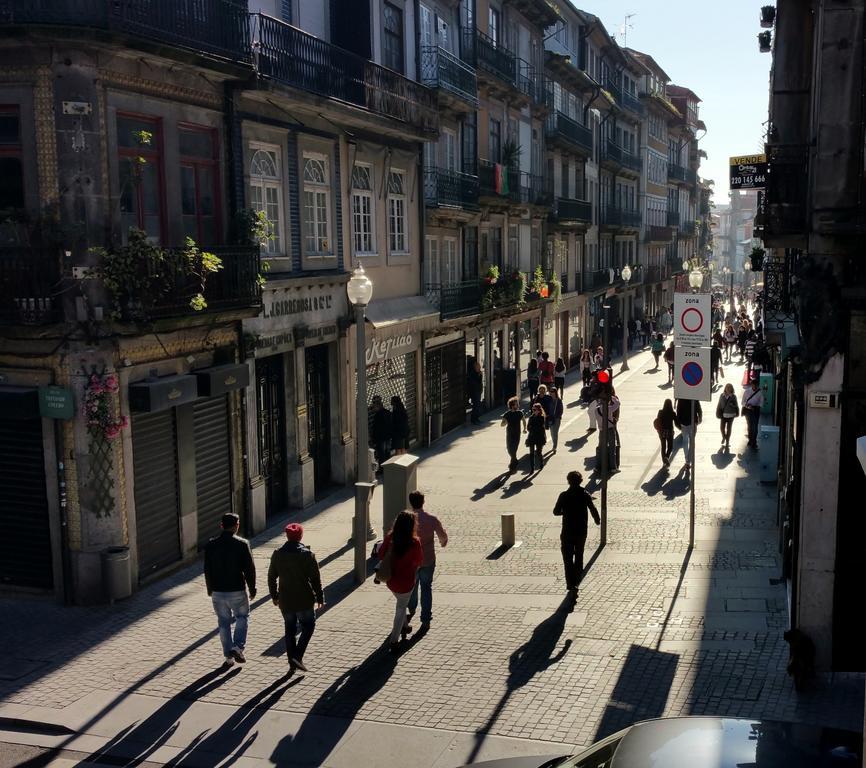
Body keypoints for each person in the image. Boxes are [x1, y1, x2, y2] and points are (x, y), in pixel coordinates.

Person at [267, 523, 323, 673]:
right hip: (304, 599)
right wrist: (320, 597)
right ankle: (297, 656)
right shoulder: (307, 555)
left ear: (287, 536)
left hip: (285, 600)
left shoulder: (277, 554)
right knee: (309, 626)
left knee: (289, 630)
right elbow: (315, 579)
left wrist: (274, 596)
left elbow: (271, 577)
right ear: (300, 536)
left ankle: (292, 662)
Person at [204, 513, 256, 667]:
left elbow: (207, 569)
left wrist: (210, 589)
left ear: (221, 526)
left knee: (223, 623)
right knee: (242, 618)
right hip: (237, 590)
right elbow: (249, 569)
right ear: (237, 525)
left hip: (218, 592)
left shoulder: (211, 545)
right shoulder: (242, 544)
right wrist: (252, 589)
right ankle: (238, 647)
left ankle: (228, 657)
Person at [378, 510, 423, 655]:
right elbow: (419, 561)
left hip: (391, 580)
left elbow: (380, 554)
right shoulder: (414, 542)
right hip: (407, 581)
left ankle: (405, 625)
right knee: (400, 608)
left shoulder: (391, 537)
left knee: (401, 603)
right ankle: (394, 640)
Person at [553, 471, 600, 597]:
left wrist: (566, 512)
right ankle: (577, 580)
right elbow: (592, 508)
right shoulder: (585, 494)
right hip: (581, 531)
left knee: (568, 560)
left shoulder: (564, 495)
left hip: (567, 531)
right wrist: (597, 519)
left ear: (568, 481)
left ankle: (570, 584)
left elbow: (556, 512)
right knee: (579, 557)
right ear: (581, 481)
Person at [406, 491, 447, 630]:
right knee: (426, 588)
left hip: (412, 561)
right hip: (428, 559)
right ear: (423, 502)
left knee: (412, 586)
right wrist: (443, 542)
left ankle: (411, 608)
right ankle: (425, 619)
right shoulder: (431, 519)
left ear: (411, 502)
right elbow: (443, 536)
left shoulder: (407, 520)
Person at [500, 396, 527, 472]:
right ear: (512, 405)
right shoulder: (507, 414)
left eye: (517, 404)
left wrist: (525, 428)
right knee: (509, 449)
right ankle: (515, 460)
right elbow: (502, 424)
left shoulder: (519, 413)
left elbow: (524, 421)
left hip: (517, 434)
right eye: (516, 404)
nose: (517, 405)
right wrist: (505, 422)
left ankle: (512, 465)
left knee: (514, 449)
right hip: (509, 434)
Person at [675, 397, 702, 470]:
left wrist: (679, 424)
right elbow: (699, 409)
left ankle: (687, 460)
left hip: (684, 423)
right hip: (692, 423)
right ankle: (688, 461)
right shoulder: (694, 397)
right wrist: (700, 418)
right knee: (692, 442)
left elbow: (678, 412)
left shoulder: (681, 399)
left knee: (685, 442)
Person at [370, 395, 392, 473]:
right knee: (387, 452)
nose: (374, 408)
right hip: (388, 436)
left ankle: (382, 469)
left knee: (382, 454)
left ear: (378, 406)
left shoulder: (377, 415)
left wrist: (374, 439)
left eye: (375, 407)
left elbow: (376, 428)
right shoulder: (388, 412)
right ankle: (388, 467)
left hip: (381, 437)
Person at [715, 383, 740, 450]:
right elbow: (719, 404)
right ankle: (724, 437)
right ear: (725, 388)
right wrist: (717, 411)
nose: (728, 389)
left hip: (731, 415)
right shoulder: (722, 395)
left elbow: (736, 405)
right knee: (722, 428)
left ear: (732, 389)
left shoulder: (733, 396)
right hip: (723, 415)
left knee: (729, 429)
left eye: (730, 388)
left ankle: (727, 441)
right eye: (727, 387)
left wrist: (733, 405)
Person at [742, 378, 763, 449]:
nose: (755, 386)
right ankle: (750, 439)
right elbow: (743, 402)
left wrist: (757, 406)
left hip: (755, 410)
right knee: (750, 426)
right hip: (748, 411)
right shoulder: (747, 391)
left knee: (755, 426)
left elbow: (761, 402)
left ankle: (754, 441)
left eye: (756, 385)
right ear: (751, 385)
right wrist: (747, 406)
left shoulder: (760, 392)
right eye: (753, 385)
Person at [655, 398, 677, 467]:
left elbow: (658, 420)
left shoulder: (660, 412)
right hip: (670, 431)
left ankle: (664, 460)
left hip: (662, 432)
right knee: (670, 447)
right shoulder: (672, 413)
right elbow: (676, 422)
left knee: (663, 446)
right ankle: (667, 457)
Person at [526, 402, 547, 471]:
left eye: (535, 410)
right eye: (533, 409)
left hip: (539, 437)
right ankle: (532, 467)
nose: (533, 411)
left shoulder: (541, 418)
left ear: (539, 410)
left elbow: (540, 427)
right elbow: (528, 427)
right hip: (532, 436)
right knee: (531, 453)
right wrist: (532, 428)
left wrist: (532, 427)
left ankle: (541, 463)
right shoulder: (531, 417)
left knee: (539, 452)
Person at [547, 386, 564, 453]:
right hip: (550, 418)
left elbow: (561, 410)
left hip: (556, 419)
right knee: (551, 432)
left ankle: (554, 446)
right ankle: (554, 444)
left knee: (555, 433)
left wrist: (558, 416)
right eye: (550, 391)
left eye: (552, 392)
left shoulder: (558, 400)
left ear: (555, 392)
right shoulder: (549, 399)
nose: (550, 393)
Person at [467, 360, 483, 426]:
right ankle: (474, 419)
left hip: (478, 391)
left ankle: (477, 418)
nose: (479, 368)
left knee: (478, 405)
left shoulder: (479, 374)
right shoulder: (472, 374)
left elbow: (480, 382)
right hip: (474, 391)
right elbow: (473, 383)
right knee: (475, 405)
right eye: (478, 367)